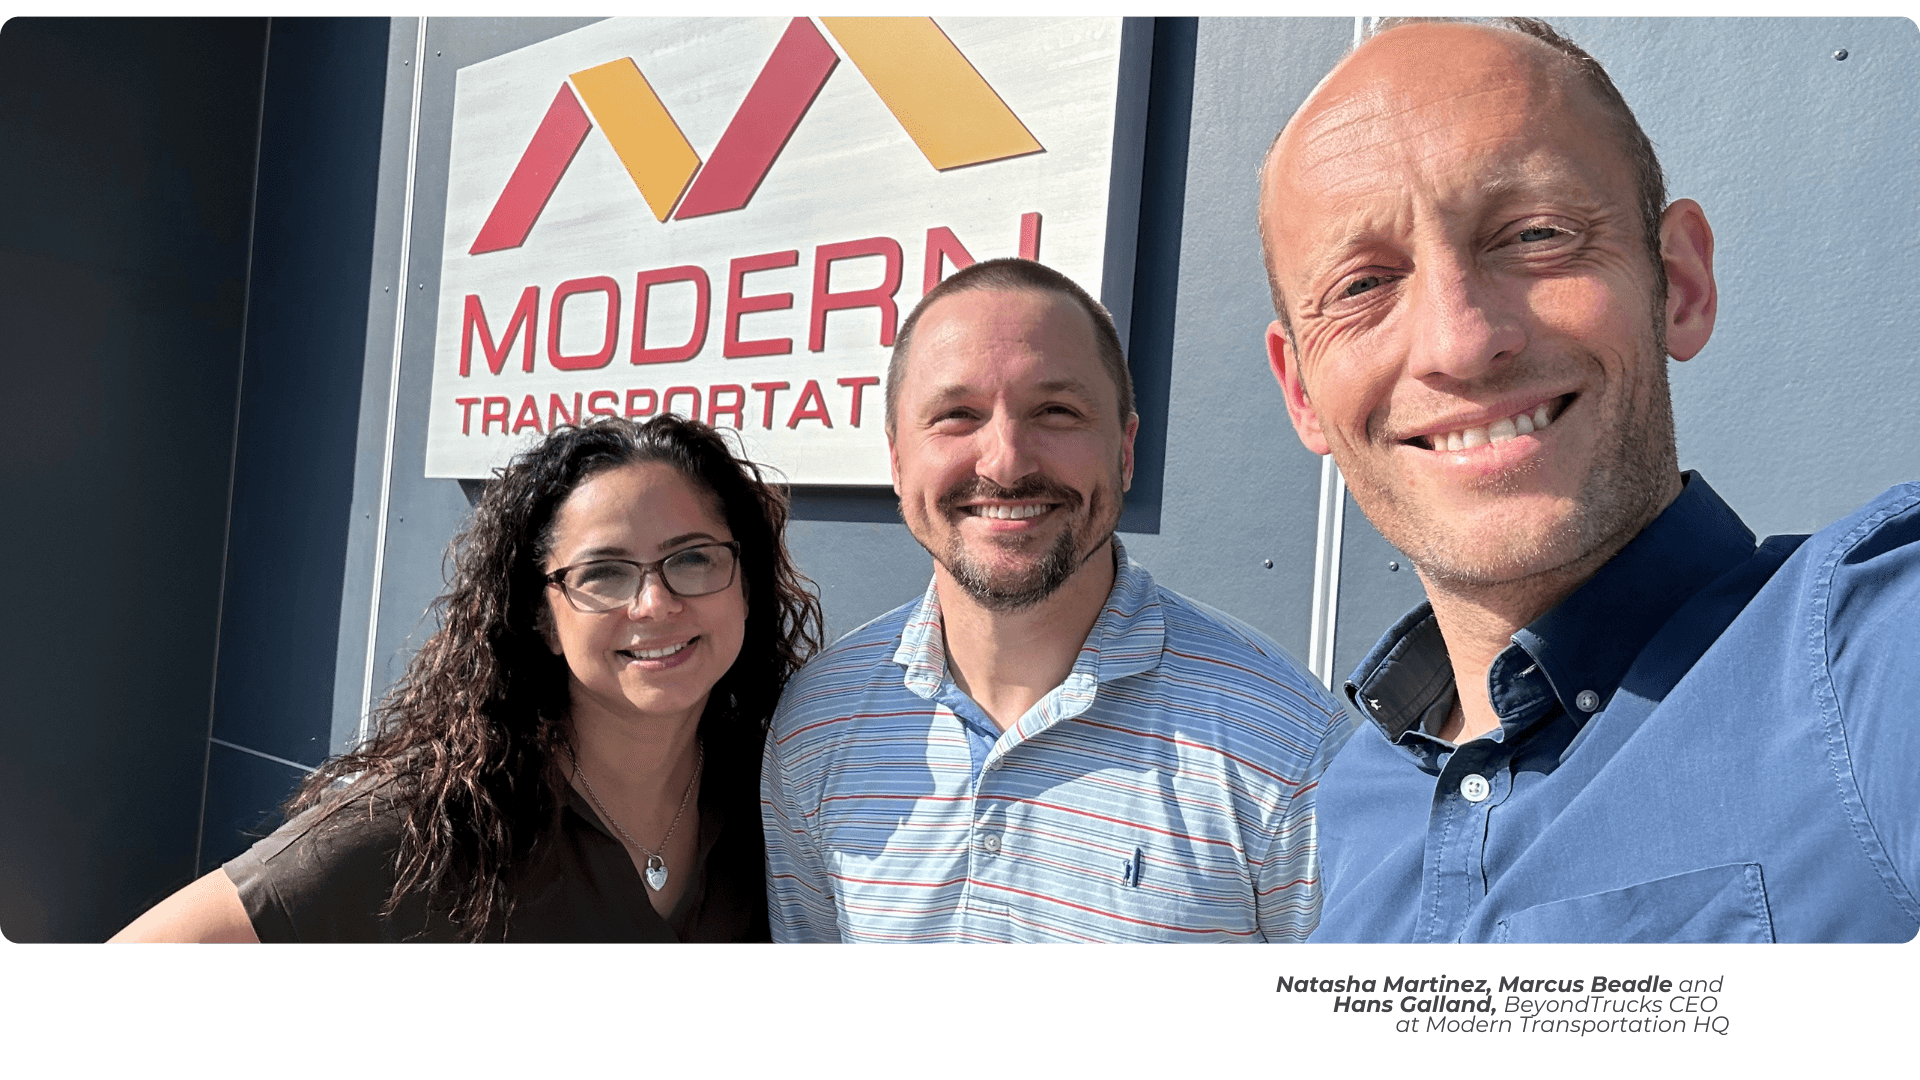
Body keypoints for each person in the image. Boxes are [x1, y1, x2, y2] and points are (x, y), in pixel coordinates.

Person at [1258, 17, 1920, 943]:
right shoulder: (1354, 799)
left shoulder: (1865, 657)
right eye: (1363, 286)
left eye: (1535, 234)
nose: (1460, 342)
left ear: (1679, 285)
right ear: (1302, 393)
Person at [761, 258, 1344, 943]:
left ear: (1125, 451)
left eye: (1057, 412)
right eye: (956, 416)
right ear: (896, 460)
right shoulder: (816, 724)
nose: (1006, 462)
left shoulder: (1287, 744)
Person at [112, 415, 823, 942]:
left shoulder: (784, 793)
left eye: (693, 558)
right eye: (604, 573)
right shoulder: (434, 824)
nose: (655, 603)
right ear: (543, 619)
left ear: (746, 584)